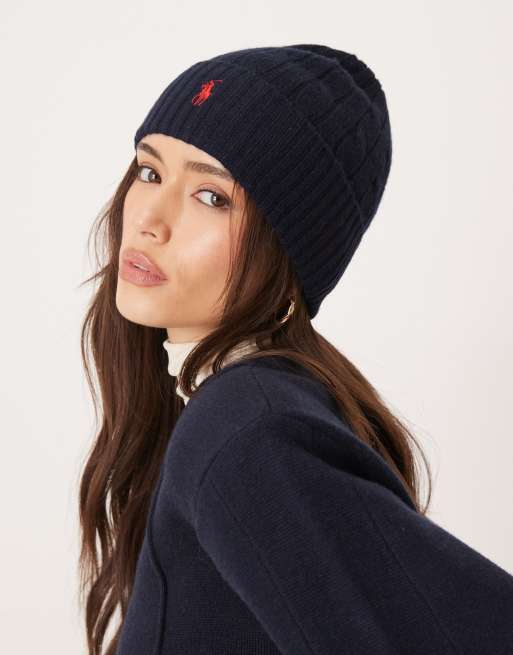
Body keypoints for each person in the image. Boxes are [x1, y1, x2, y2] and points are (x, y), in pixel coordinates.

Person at [77, 44, 513, 655]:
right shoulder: (239, 410)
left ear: (289, 253)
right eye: (150, 172)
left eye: (212, 197)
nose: (150, 217)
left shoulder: (247, 429)